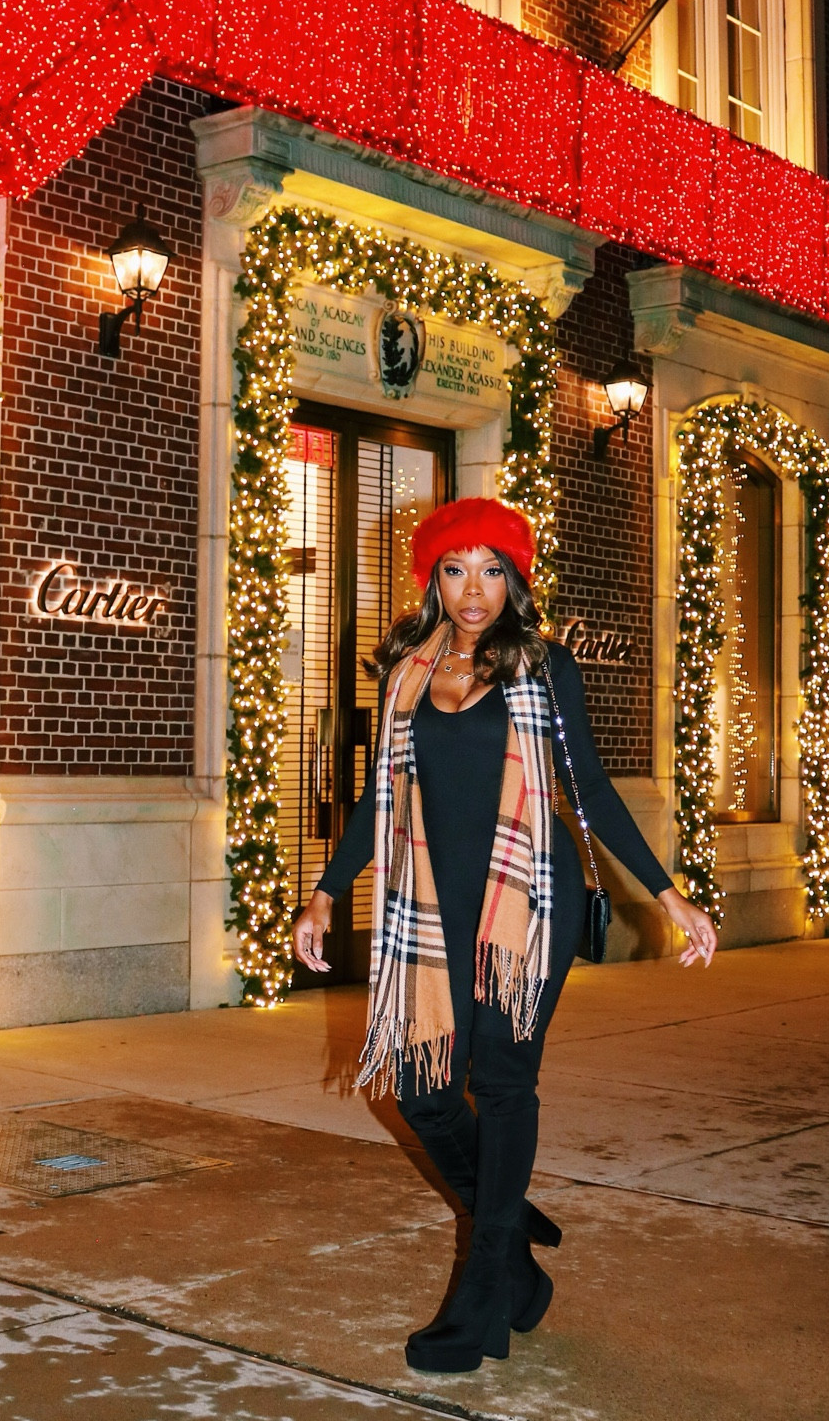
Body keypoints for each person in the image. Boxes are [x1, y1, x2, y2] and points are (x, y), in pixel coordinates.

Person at [291, 497, 717, 1375]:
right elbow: (380, 797)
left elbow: (590, 791)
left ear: (514, 578)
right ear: (433, 579)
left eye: (492, 570)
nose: (474, 589)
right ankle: (514, 1246)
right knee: (423, 1092)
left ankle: (483, 1289)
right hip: (430, 901)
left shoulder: (545, 666)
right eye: (455, 570)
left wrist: (669, 894)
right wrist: (326, 894)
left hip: (530, 898)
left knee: (503, 1079)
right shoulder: (406, 670)